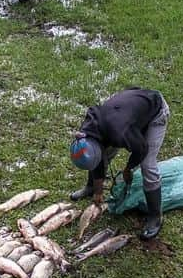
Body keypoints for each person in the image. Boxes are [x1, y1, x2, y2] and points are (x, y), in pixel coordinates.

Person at [69, 88, 171, 240]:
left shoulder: (120, 133)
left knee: (147, 165)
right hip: (126, 112)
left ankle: (155, 216)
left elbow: (141, 149)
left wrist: (128, 168)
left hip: (155, 110)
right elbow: (96, 159)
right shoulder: (86, 133)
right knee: (105, 154)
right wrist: (98, 191)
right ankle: (91, 187)